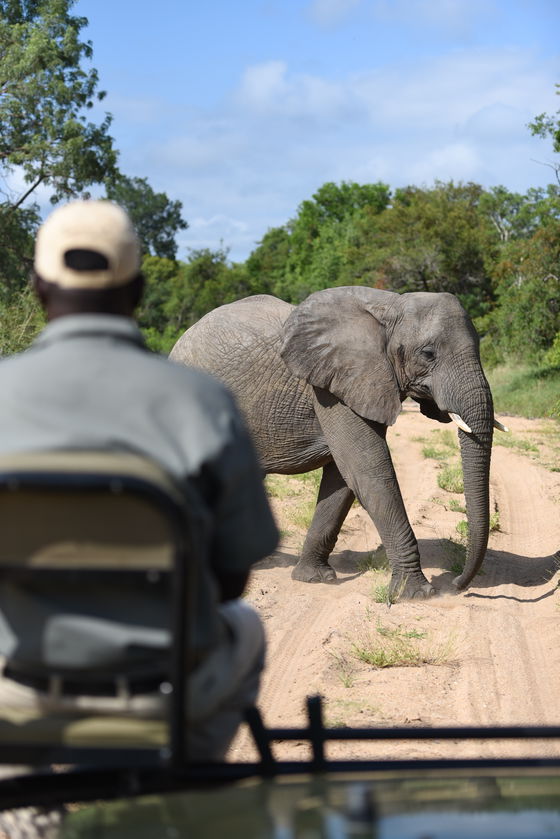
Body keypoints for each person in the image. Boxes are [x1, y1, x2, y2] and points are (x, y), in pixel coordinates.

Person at [0, 199, 278, 762]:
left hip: (19, 691)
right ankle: (182, 782)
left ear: (37, 286)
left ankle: (25, 777)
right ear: (139, 290)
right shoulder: (202, 402)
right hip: (163, 699)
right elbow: (231, 579)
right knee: (246, 627)